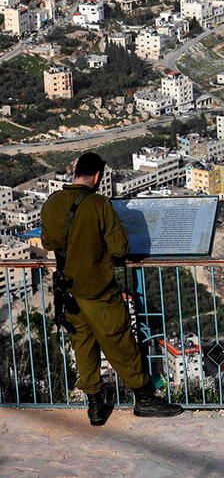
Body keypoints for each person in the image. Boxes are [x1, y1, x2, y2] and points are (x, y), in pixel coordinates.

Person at [39, 152, 183, 426]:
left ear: (74, 174)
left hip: (68, 293)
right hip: (99, 292)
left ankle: (95, 406)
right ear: (97, 177)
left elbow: (48, 242)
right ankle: (144, 398)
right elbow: (120, 248)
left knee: (83, 346)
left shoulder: (52, 203)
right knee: (121, 344)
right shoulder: (99, 204)